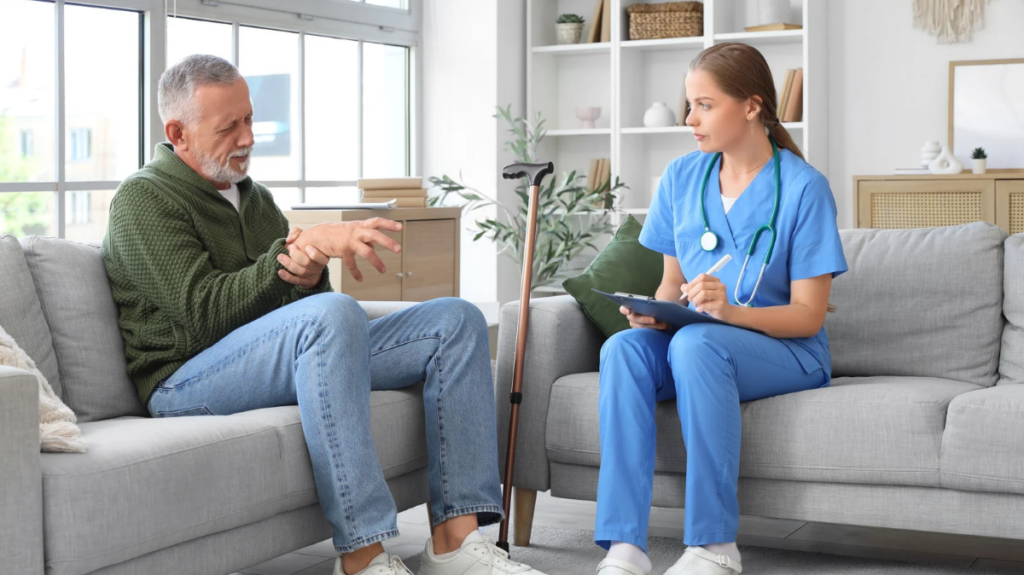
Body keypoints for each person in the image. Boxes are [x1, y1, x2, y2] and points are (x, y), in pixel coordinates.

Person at [103, 54, 546, 575]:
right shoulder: (143, 200)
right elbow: (204, 315)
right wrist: (298, 254)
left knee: (455, 320)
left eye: (250, 120)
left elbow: (301, 308)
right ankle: (362, 554)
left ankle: (453, 542)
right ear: (176, 132)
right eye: (230, 126)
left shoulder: (255, 199)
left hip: (264, 362)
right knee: (333, 315)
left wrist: (309, 267)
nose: (247, 137)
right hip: (184, 382)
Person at [592, 43, 848, 575]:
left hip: (788, 350)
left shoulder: (804, 189)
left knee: (697, 341)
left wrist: (728, 313)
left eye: (704, 105)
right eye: (689, 105)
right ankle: (625, 547)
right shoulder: (681, 178)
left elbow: (808, 316)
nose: (690, 119)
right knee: (624, 349)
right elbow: (671, 284)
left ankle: (715, 546)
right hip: (700, 341)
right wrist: (654, 313)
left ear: (751, 106)